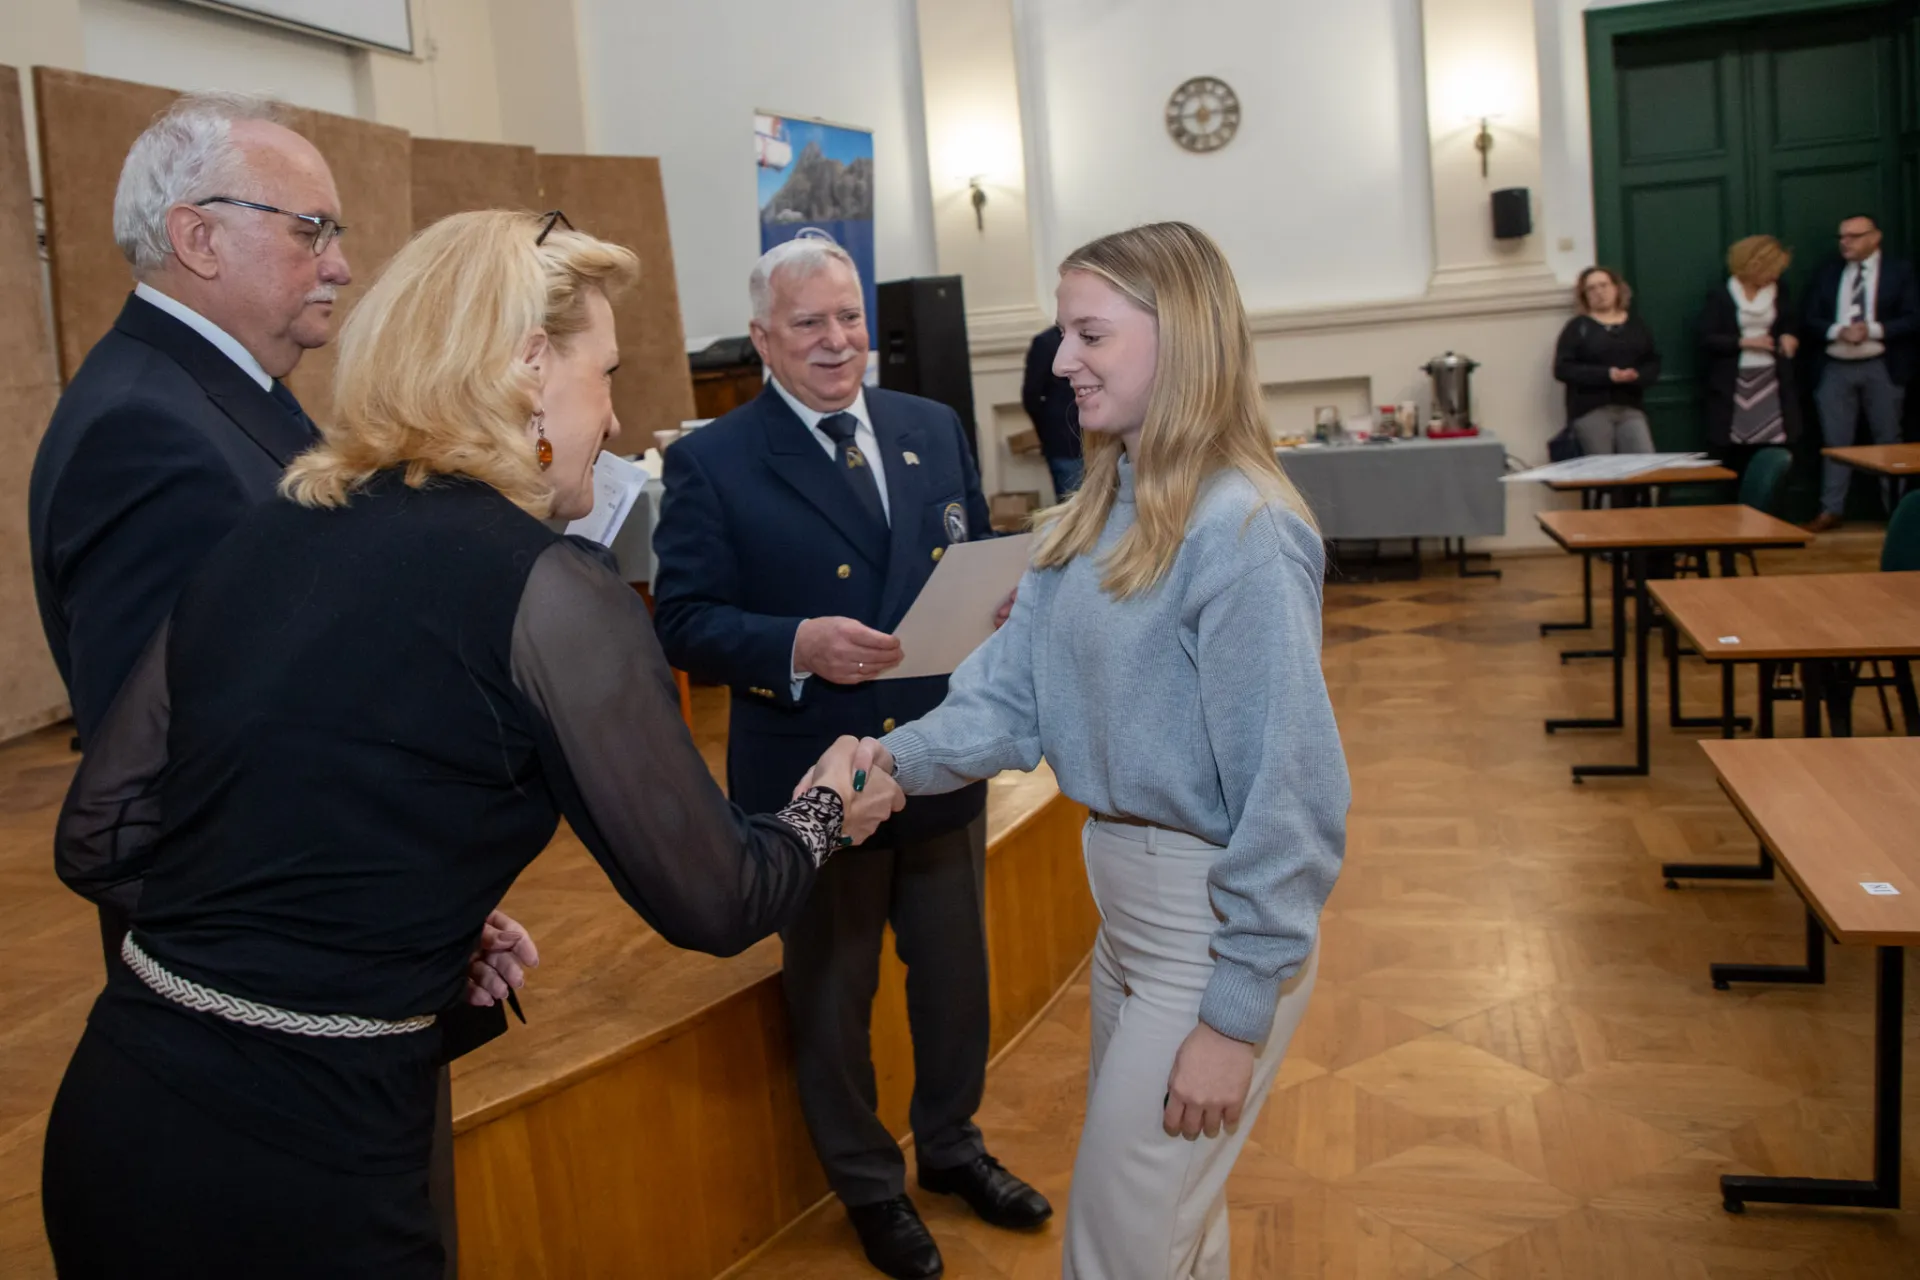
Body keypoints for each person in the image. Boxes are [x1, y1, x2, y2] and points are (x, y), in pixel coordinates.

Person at [39, 209, 906, 1279]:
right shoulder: (551, 590)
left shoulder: (267, 526)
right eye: (605, 374)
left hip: (119, 1106)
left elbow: (100, 836)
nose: (614, 415)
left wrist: (393, 917)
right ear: (531, 367)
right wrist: (826, 812)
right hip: (311, 1162)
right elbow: (718, 899)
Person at [22, 93, 499, 1275]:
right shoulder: (149, 431)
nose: (341, 263)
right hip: (258, 1055)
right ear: (197, 236)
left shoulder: (218, 398)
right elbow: (159, 792)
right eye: (311, 230)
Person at [864, 222, 1349, 1279]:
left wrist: (1234, 1015)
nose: (1060, 363)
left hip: (1209, 927)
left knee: (1120, 1246)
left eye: (1089, 334)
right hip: (1129, 919)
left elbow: (1294, 795)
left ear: (1182, 338)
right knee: (1170, 1233)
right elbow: (1006, 699)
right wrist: (888, 763)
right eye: (1061, 335)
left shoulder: (1243, 529)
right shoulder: (1092, 515)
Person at [652, 238, 1050, 1280]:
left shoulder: (930, 426)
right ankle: (870, 1186)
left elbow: (971, 550)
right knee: (833, 997)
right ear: (763, 338)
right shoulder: (713, 461)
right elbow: (683, 620)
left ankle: (952, 1146)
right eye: (809, 324)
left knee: (956, 980)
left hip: (936, 752)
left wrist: (1000, 601)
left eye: (849, 318)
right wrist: (797, 644)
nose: (837, 342)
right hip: (810, 774)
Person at [1804, 213, 1919, 530]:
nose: (1845, 243)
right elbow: (1810, 317)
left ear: (1875, 237)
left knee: (1888, 441)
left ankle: (1897, 514)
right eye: (1842, 237)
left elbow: (1913, 317)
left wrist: (1873, 330)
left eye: (1853, 236)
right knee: (1835, 442)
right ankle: (1831, 509)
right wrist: (1838, 331)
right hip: (1835, 366)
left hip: (1882, 365)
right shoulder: (1828, 272)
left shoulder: (1899, 272)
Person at [1700, 235, 1802, 479]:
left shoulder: (1780, 291)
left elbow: (1790, 324)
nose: (1774, 275)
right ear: (1754, 266)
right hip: (1734, 383)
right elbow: (1707, 337)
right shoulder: (1722, 295)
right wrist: (1745, 342)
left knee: (1775, 445)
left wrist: (1789, 337)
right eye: (1771, 269)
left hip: (1772, 381)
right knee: (1736, 450)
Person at [1554, 266, 1661, 454]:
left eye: (1604, 285)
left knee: (1644, 461)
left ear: (1616, 288)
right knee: (1603, 466)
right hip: (1591, 410)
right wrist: (1607, 375)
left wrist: (1637, 375)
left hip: (1630, 407)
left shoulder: (1636, 325)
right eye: (1591, 288)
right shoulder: (1577, 328)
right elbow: (1563, 368)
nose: (1599, 292)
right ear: (1585, 295)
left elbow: (1652, 362)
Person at [1021, 325, 1084, 498]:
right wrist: (1048, 433)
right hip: (1065, 443)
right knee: (1073, 505)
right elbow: (1031, 396)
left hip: (1103, 444)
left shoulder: (1097, 337)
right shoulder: (1046, 342)